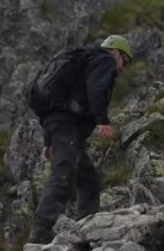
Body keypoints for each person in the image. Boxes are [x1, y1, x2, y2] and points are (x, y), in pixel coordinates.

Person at [29, 35, 133, 244]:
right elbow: (96, 88)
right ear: (116, 52)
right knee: (63, 176)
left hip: (60, 127)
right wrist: (102, 120)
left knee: (89, 181)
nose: (122, 67)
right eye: (125, 60)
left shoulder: (84, 61)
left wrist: (48, 142)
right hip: (67, 127)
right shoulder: (105, 60)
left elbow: (52, 108)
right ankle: (40, 232)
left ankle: (86, 228)